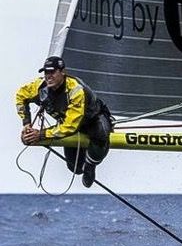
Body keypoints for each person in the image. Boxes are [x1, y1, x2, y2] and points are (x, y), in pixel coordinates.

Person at [15, 56, 113, 187]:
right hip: (68, 122)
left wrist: (40, 135)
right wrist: (27, 123)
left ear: (62, 72)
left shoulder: (75, 90)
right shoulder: (39, 87)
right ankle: (82, 166)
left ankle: (90, 165)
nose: (48, 76)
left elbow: (71, 126)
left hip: (93, 119)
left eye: (52, 72)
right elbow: (21, 95)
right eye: (46, 72)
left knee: (101, 134)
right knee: (75, 168)